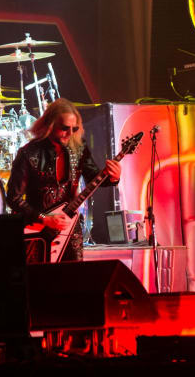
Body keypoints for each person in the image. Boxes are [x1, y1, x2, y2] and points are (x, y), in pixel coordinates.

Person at [7, 98, 121, 263]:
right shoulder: (29, 153)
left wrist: (114, 177)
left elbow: (95, 177)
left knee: (72, 275)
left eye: (75, 129)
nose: (70, 133)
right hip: (38, 229)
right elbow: (13, 198)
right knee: (39, 276)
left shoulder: (79, 149)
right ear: (50, 125)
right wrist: (45, 219)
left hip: (70, 227)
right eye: (65, 128)